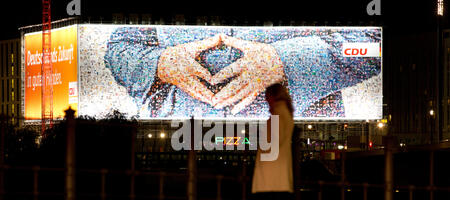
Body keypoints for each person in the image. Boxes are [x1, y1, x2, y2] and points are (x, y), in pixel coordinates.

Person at [103, 27, 381, 119]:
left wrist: (285, 61)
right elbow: (117, 49)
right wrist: (161, 63)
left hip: (294, 138)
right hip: (179, 139)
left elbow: (372, 47)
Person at [251, 83, 304, 200]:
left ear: (273, 96)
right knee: (280, 199)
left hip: (272, 166)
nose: (266, 100)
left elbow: (274, 140)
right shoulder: (284, 113)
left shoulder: (278, 114)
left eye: (267, 96)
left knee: (269, 197)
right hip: (279, 165)